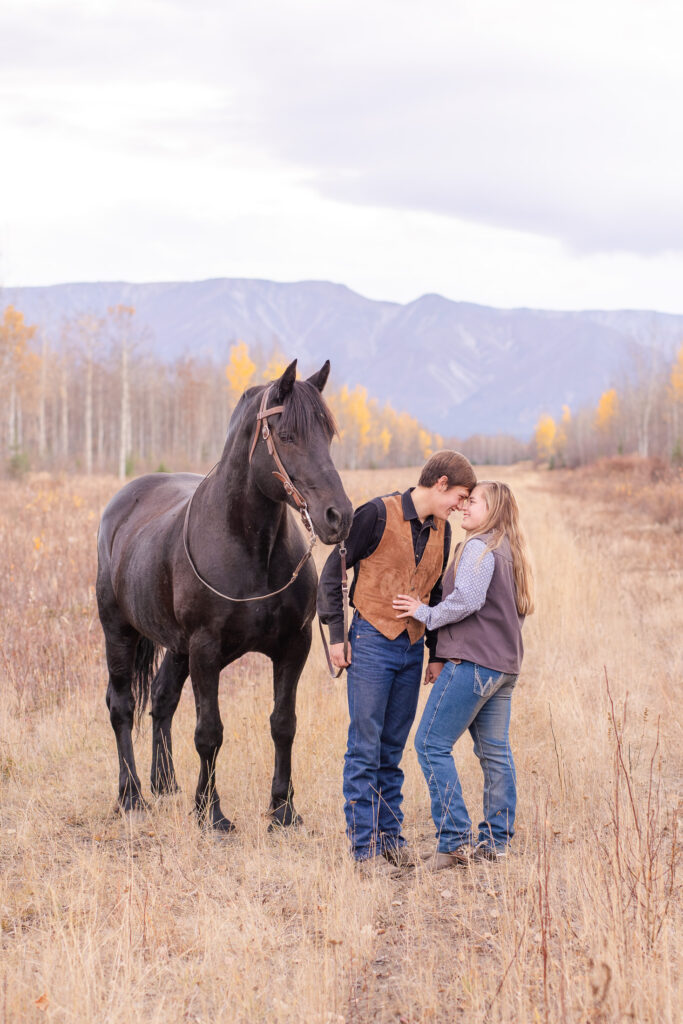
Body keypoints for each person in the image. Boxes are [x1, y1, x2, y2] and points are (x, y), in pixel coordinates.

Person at [318, 451, 477, 870]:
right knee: (364, 746)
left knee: (392, 748)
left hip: (410, 650)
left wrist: (436, 654)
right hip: (370, 642)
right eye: (459, 497)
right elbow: (332, 573)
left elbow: (437, 596)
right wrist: (337, 635)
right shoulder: (375, 513)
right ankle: (364, 849)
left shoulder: (442, 530)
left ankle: (391, 838)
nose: (460, 507)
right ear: (440, 483)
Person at [392, 480, 534, 869]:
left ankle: (454, 840)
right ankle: (495, 842)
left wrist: (426, 614)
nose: (466, 507)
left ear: (495, 509)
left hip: (472, 664)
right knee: (495, 753)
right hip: (504, 668)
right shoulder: (509, 550)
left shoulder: (478, 547)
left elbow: (468, 600)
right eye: (466, 500)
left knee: (429, 744)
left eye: (474, 502)